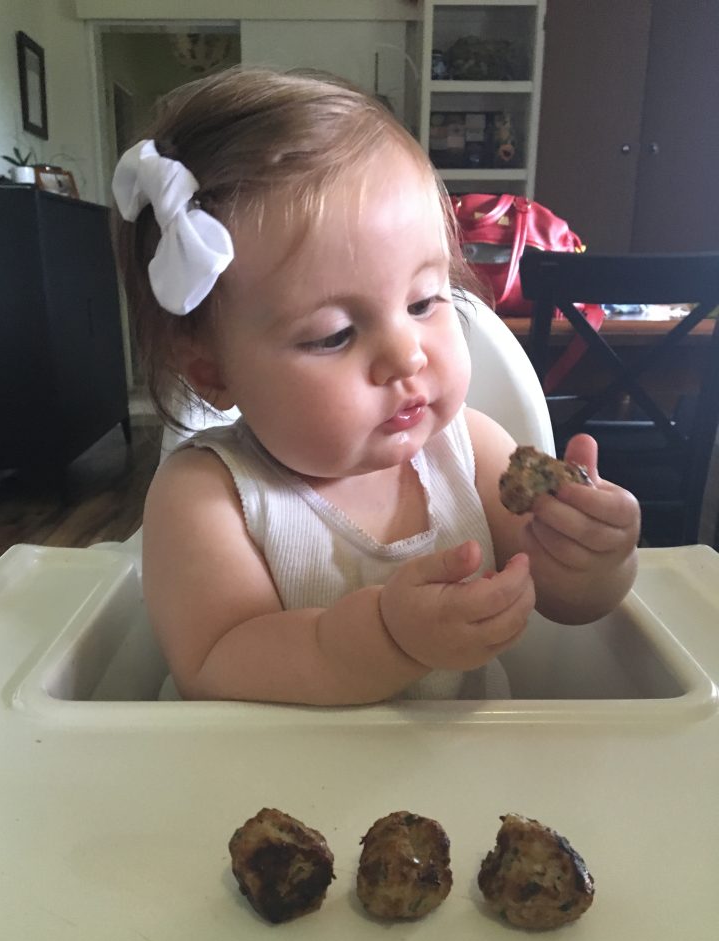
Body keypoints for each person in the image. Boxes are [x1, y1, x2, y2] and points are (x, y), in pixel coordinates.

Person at [112, 67, 640, 706]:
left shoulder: (472, 452)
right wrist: (387, 639)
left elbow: (560, 599)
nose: (405, 354)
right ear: (212, 372)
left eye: (424, 301)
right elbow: (216, 664)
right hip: (274, 770)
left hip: (468, 766)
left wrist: (593, 560)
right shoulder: (207, 499)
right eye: (334, 334)